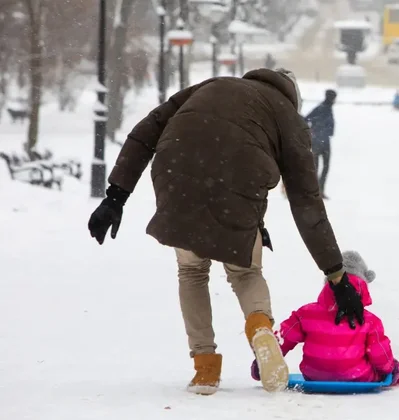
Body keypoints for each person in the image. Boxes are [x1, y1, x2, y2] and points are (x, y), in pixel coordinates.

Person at [86, 68, 365, 395]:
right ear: (293, 98)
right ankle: (260, 330)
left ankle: (205, 367)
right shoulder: (289, 118)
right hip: (240, 184)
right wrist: (337, 276)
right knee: (246, 273)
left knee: (192, 272)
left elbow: (146, 130)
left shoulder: (214, 85)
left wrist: (115, 197)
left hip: (177, 172)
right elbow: (307, 203)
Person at [252, 251, 399, 386]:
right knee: (381, 370)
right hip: (358, 376)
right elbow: (379, 353)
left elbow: (285, 336)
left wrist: (266, 363)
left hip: (314, 375)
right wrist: (392, 369)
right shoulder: (369, 321)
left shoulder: (306, 314)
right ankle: (396, 376)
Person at [305, 89, 337, 199]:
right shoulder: (322, 108)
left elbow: (307, 119)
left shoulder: (325, 108)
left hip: (323, 141)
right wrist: (313, 130)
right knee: (319, 167)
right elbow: (306, 119)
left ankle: (318, 191)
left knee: (321, 167)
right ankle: (316, 191)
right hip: (319, 142)